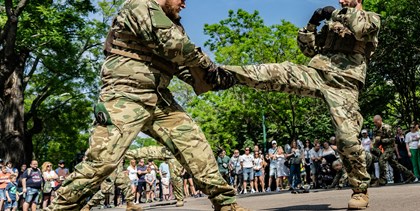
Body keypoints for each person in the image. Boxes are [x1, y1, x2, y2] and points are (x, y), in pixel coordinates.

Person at [48, 0, 242, 210]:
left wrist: (213, 79)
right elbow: (177, 46)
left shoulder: (172, 23)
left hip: (159, 98)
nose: (184, 5)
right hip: (125, 94)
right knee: (102, 162)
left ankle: (226, 204)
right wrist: (209, 67)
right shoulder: (140, 5)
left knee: (196, 146)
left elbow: (182, 66)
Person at [222, 0, 380, 205]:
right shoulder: (333, 24)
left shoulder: (371, 18)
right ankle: (221, 73)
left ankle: (360, 189)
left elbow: (359, 29)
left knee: (346, 138)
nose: (340, 1)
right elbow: (308, 50)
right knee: (276, 72)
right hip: (316, 73)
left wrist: (337, 14)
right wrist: (312, 24)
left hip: (345, 84)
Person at [373, 115, 415, 185]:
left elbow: (392, 139)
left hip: (390, 148)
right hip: (384, 148)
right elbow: (375, 140)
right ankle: (410, 175)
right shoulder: (375, 129)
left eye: (376, 122)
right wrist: (375, 146)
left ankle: (383, 179)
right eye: (374, 122)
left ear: (380, 120)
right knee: (395, 164)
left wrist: (381, 140)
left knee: (382, 160)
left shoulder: (387, 127)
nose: (375, 124)